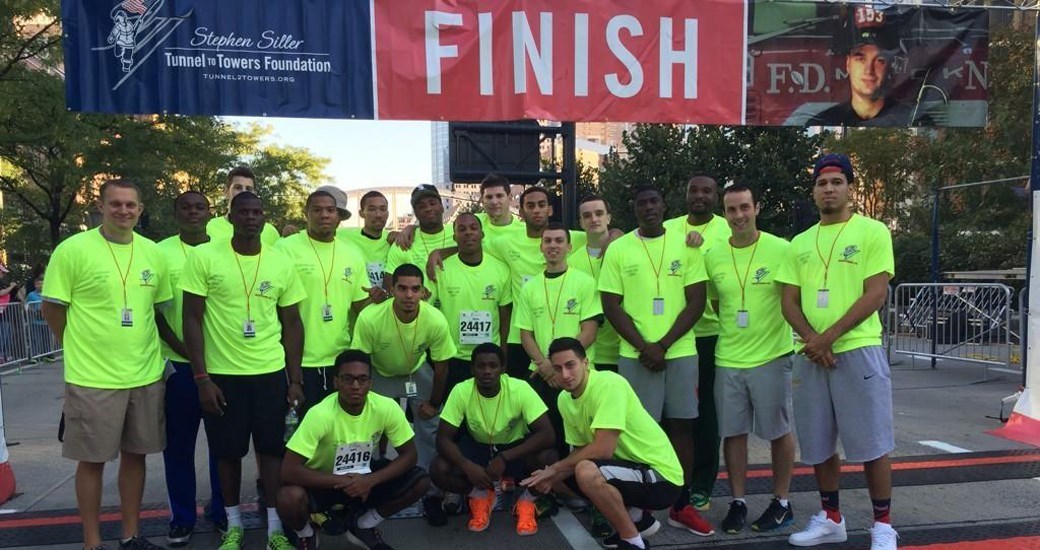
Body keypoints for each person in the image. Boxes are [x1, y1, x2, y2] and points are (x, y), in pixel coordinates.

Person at [41, 179, 172, 550]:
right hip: (93, 378)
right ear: (101, 206)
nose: (123, 211)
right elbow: (53, 309)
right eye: (115, 204)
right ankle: (92, 542)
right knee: (92, 461)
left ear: (140, 210)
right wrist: (79, 347)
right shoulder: (73, 250)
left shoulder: (152, 253)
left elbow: (156, 310)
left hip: (145, 374)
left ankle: (130, 536)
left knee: (136, 457)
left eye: (130, 205)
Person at [777, 153, 897, 550]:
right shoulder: (799, 243)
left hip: (857, 349)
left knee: (872, 442)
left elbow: (876, 293)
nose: (829, 189)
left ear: (850, 187)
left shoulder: (872, 232)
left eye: (836, 182)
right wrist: (814, 340)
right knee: (819, 442)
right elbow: (789, 302)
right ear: (813, 191)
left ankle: (883, 526)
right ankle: (832, 518)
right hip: (810, 355)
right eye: (821, 183)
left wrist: (827, 337)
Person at [181, 191, 306, 550]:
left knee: (271, 452)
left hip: (269, 373)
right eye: (244, 212)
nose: (251, 217)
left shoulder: (280, 262)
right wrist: (202, 378)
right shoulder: (205, 256)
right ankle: (233, 525)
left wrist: (294, 378)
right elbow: (191, 319)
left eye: (257, 213)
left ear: (264, 219)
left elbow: (293, 323)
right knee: (228, 453)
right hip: (222, 376)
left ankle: (273, 531)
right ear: (230, 217)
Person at [599, 185, 714, 537]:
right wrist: (644, 346)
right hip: (636, 356)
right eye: (641, 202)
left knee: (682, 426)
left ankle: (681, 505)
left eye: (654, 201)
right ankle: (639, 508)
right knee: (637, 432)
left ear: (665, 205)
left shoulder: (687, 244)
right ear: (633, 208)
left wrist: (662, 344)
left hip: (679, 352)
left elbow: (696, 300)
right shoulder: (619, 248)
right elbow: (610, 303)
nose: (648, 207)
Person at [521, 338, 684, 550]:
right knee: (566, 473)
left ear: (586, 363)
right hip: (629, 470)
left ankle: (633, 542)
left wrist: (554, 470)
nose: (565, 375)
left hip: (662, 478)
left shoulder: (608, 384)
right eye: (557, 368)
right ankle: (637, 519)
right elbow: (580, 449)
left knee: (585, 471)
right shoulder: (564, 399)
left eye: (571, 365)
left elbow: (603, 449)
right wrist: (549, 477)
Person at [702, 184, 796, 535]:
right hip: (729, 358)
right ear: (723, 214)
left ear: (756, 207)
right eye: (731, 210)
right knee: (734, 433)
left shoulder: (781, 249)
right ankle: (738, 502)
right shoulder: (713, 256)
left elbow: (791, 298)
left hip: (772, 356)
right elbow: (716, 303)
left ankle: (781, 502)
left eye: (744, 207)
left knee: (778, 431)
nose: (738, 216)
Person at [277, 349, 431, 550]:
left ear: (370, 383)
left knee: (420, 482)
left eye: (362, 379)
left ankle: (364, 525)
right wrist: (344, 481)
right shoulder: (320, 415)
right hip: (324, 480)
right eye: (348, 379)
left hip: (364, 478)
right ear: (336, 382)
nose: (355, 386)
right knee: (288, 497)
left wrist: (370, 480)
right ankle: (306, 534)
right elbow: (288, 470)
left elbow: (410, 455)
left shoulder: (386, 408)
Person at [352, 263, 457, 526]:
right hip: (380, 373)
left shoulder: (434, 318)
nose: (409, 295)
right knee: (364, 428)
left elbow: (442, 365)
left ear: (423, 291)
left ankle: (431, 494)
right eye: (402, 288)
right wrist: (362, 401)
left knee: (430, 427)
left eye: (415, 289)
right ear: (392, 289)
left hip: (416, 372)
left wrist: (434, 403)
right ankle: (362, 490)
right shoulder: (371, 317)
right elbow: (360, 362)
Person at [156, 191, 225, 546]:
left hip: (222, 366)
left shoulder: (224, 248)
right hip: (180, 365)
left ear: (210, 213)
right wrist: (185, 349)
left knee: (221, 446)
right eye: (186, 207)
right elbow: (156, 310)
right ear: (175, 212)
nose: (194, 213)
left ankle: (221, 509)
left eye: (200, 207)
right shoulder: (160, 252)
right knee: (179, 446)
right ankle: (182, 517)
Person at [431, 343, 556, 535]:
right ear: (472, 369)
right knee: (439, 468)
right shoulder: (461, 390)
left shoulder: (520, 388)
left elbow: (547, 434)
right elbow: (443, 439)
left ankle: (526, 501)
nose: (487, 371)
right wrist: (467, 466)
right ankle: (480, 495)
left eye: (493, 365)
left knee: (549, 458)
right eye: (481, 366)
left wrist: (504, 457)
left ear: (503, 369)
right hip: (478, 447)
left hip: (514, 449)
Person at [663, 174, 730, 513]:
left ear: (716, 196)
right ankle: (667, 478)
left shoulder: (726, 229)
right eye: (693, 190)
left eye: (707, 190)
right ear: (685, 194)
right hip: (673, 335)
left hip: (710, 335)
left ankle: (703, 483)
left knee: (705, 413)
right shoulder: (669, 227)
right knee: (674, 415)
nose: (699, 195)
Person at [276, 190, 374, 412]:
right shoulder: (285, 249)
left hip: (339, 360)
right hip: (297, 360)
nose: (325, 215)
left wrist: (379, 300)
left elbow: (360, 305)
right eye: (317, 210)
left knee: (336, 431)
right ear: (306, 214)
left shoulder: (352, 254)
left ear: (338, 216)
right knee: (298, 432)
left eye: (331, 210)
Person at [516, 222, 600, 460]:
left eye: (559, 241)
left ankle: (582, 488)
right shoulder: (529, 288)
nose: (553, 245)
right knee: (545, 439)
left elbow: (589, 331)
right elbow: (526, 334)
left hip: (578, 374)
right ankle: (548, 490)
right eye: (548, 241)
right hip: (542, 374)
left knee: (583, 438)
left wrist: (560, 366)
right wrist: (546, 366)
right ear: (541, 247)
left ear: (569, 247)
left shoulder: (585, 283)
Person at [430, 213, 512, 396]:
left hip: (489, 359)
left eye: (474, 228)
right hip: (453, 357)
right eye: (462, 229)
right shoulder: (441, 269)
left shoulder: (501, 269)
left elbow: (505, 317)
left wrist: (503, 355)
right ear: (454, 237)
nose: (468, 233)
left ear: (482, 234)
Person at [806, 6, 928, 127]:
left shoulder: (914, 120)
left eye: (879, 60)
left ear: (890, 66)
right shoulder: (823, 122)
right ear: (848, 64)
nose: (869, 70)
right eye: (860, 58)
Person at [570, 195, 621, 374]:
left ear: (608, 218)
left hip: (625, 350)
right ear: (581, 223)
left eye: (599, 213)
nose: (594, 219)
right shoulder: (571, 262)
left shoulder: (626, 251)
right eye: (587, 215)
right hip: (590, 354)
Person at [383, 185, 453, 293]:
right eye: (421, 206)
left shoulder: (460, 234)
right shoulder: (403, 243)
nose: (428, 209)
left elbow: (474, 250)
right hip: (419, 309)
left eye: (432, 203)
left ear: (442, 206)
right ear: (415, 213)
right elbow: (388, 289)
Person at [206, 166, 281, 245]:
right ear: (226, 191)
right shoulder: (209, 228)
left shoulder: (270, 232)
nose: (243, 192)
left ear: (255, 194)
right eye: (238, 187)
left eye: (249, 189)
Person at [339, 190, 393, 293]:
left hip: (386, 306)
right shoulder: (343, 236)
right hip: (357, 305)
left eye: (383, 209)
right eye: (372, 209)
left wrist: (411, 228)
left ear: (388, 213)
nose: (378, 215)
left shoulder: (395, 240)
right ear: (361, 213)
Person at [474, 173, 524, 239]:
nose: (494, 202)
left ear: (510, 198)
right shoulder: (471, 224)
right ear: (482, 201)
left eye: (499, 196)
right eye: (489, 197)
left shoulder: (523, 231)